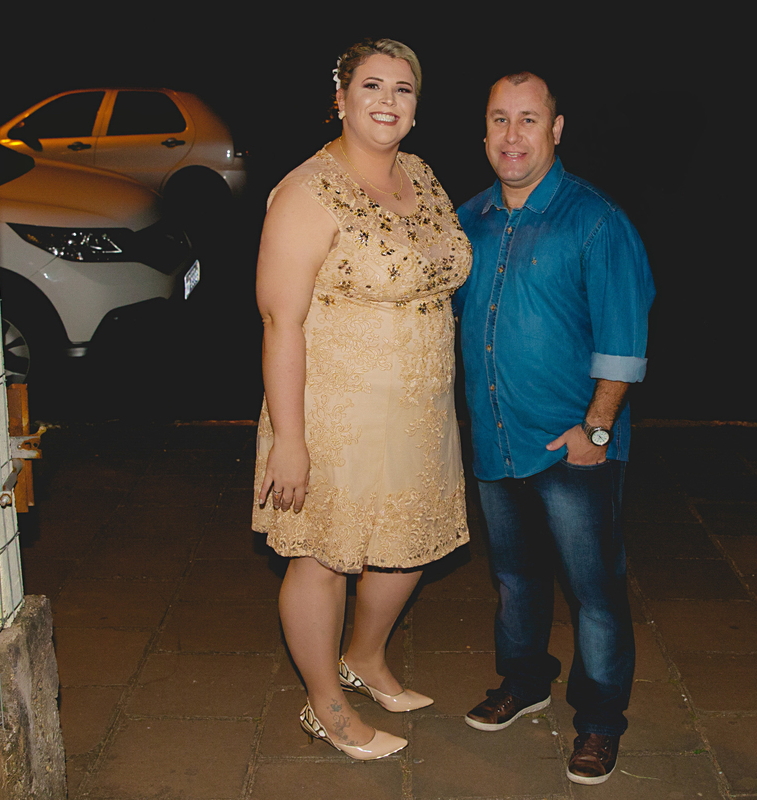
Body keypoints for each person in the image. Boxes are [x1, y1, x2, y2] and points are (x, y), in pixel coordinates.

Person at [253, 38, 471, 761]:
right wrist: (290, 439)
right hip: (334, 412)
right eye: (372, 86)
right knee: (322, 556)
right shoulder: (307, 191)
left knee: (408, 545)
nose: (387, 101)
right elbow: (281, 322)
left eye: (403, 89)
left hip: (421, 409)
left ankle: (365, 658)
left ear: (416, 107)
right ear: (341, 98)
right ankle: (326, 704)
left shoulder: (422, 175)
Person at [453, 72, 655, 785]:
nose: (512, 136)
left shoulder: (595, 220)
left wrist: (594, 433)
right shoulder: (468, 219)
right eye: (499, 119)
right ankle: (525, 681)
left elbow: (624, 340)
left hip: (573, 449)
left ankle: (599, 723)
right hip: (497, 439)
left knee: (594, 594)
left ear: (556, 129)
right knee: (514, 579)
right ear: (484, 131)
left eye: (528, 119)